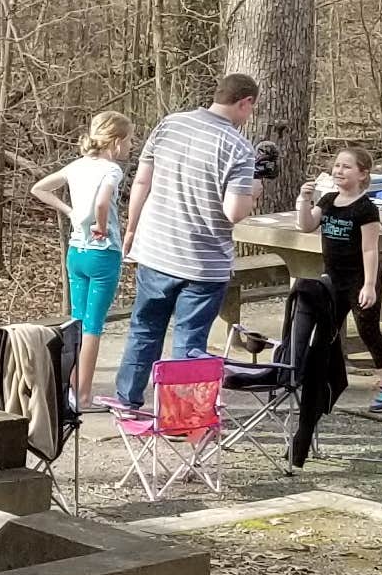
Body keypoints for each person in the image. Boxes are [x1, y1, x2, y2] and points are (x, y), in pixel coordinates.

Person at [113, 72, 268, 429]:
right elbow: (234, 212)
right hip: (203, 262)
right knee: (189, 341)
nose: (248, 115)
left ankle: (128, 403)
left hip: (155, 250)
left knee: (144, 329)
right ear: (244, 102)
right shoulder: (238, 148)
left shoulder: (169, 125)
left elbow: (142, 180)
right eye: (250, 109)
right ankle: (180, 417)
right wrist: (253, 192)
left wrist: (132, 229)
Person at [30, 111, 134, 412]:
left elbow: (39, 188)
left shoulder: (76, 166)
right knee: (92, 327)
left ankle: (68, 389)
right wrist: (100, 225)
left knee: (75, 321)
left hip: (76, 253)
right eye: (128, 141)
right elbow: (103, 202)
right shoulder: (111, 170)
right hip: (103, 254)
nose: (129, 147)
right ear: (114, 142)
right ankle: (84, 395)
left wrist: (71, 211)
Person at [299, 143, 382, 417]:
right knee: (325, 330)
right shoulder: (328, 201)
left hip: (360, 280)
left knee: (368, 330)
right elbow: (306, 225)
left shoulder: (366, 209)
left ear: (362, 174)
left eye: (346, 166)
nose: (339, 170)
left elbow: (370, 249)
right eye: (336, 165)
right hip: (332, 279)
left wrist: (370, 285)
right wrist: (304, 200)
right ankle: (320, 381)